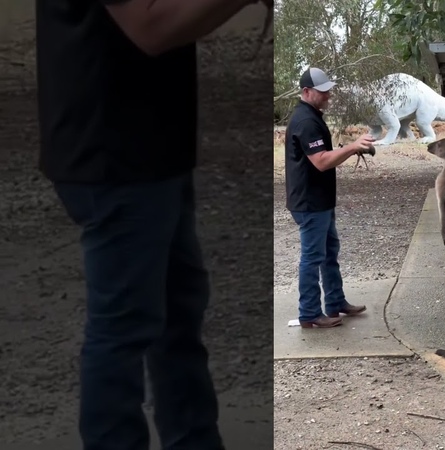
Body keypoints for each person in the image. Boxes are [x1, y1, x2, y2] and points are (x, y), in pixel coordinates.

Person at [35, 0, 270, 449]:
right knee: (124, 327)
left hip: (152, 144)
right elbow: (150, 24)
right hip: (114, 149)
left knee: (177, 315)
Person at [284, 67, 376, 328]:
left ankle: (335, 303)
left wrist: (351, 149)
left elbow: (324, 155)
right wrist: (352, 147)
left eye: (328, 91)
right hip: (310, 203)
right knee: (312, 258)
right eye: (322, 92)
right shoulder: (305, 121)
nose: (328, 96)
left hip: (320, 200)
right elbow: (322, 162)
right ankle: (309, 313)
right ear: (306, 92)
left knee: (329, 253)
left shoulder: (312, 116)